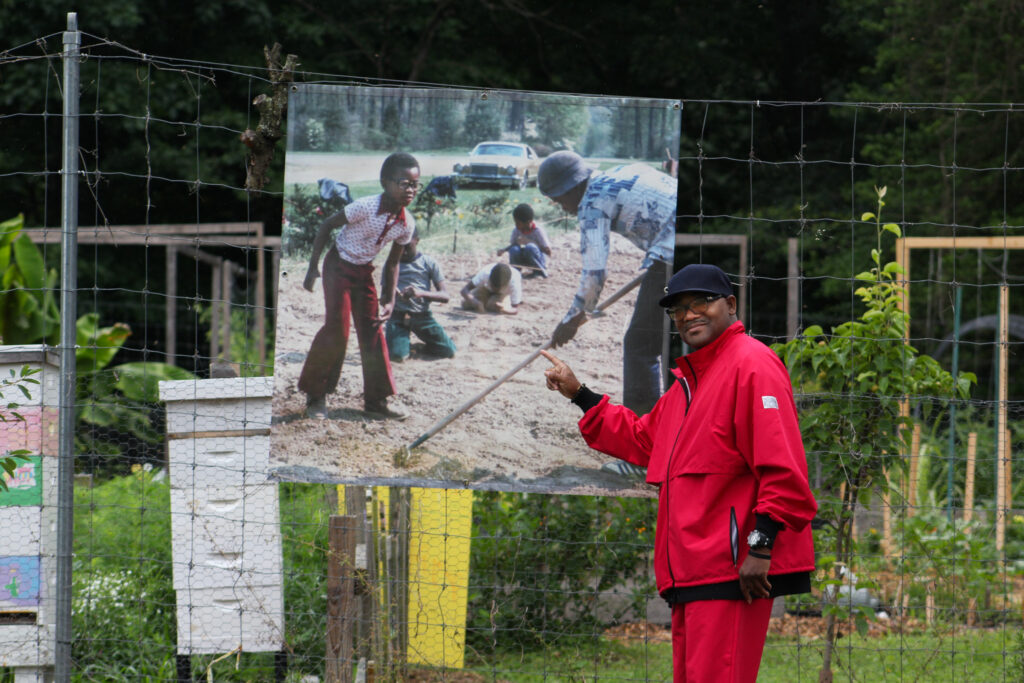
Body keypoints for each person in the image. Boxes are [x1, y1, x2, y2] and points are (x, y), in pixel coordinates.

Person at [540, 263, 817, 683]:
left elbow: (783, 465)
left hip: (734, 570)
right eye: (678, 310)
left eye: (700, 302)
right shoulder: (688, 385)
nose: (689, 315)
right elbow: (640, 438)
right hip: (694, 573)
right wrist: (579, 394)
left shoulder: (752, 365)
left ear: (730, 304)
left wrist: (760, 548)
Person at [537, 150, 675, 416]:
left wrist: (572, 319)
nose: (561, 207)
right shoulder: (622, 171)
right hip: (691, 241)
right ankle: (679, 428)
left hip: (670, 255)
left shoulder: (592, 201)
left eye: (557, 199)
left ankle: (642, 441)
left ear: (571, 188)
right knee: (671, 343)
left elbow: (595, 273)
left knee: (640, 347)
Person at [297, 152, 420, 420]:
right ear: (385, 182)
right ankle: (316, 396)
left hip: (364, 272)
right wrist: (312, 267)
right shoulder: (364, 207)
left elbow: (392, 264)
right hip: (338, 265)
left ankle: (377, 401)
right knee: (337, 330)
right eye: (403, 183)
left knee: (374, 329)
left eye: (414, 184)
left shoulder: (406, 224)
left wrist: (389, 299)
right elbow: (326, 226)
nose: (410, 190)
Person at [385, 228, 457, 362]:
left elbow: (445, 296)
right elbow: (384, 298)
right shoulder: (391, 264)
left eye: (408, 245)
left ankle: (416, 347)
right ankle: (400, 344)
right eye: (400, 246)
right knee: (397, 356)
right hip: (398, 316)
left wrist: (420, 293)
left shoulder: (429, 263)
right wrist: (391, 294)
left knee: (449, 351)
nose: (404, 251)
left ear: (417, 241)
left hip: (422, 316)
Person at [496, 203, 552, 278]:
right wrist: (504, 250)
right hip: (525, 258)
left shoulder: (538, 231)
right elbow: (513, 244)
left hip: (539, 260)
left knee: (530, 247)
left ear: (528, 222)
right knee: (514, 249)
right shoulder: (517, 230)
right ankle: (515, 272)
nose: (516, 225)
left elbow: (549, 252)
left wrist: (530, 242)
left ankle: (539, 272)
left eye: (518, 223)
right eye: (515, 222)